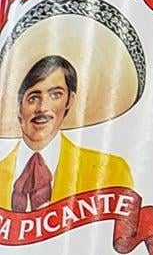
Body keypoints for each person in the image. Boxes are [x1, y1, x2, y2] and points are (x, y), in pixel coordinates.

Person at [0, 56, 134, 211]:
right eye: (33, 97)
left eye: (55, 95)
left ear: (70, 100)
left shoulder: (110, 170)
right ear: (18, 106)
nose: (42, 108)